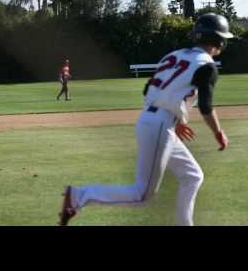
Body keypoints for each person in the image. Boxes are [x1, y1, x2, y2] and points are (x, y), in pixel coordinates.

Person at [59, 13, 234, 226]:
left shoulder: (176, 55)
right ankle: (79, 196)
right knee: (142, 194)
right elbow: (206, 107)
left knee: (193, 175)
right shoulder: (207, 65)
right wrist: (218, 132)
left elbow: (149, 89)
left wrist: (177, 118)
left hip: (154, 121)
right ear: (220, 41)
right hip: (160, 126)